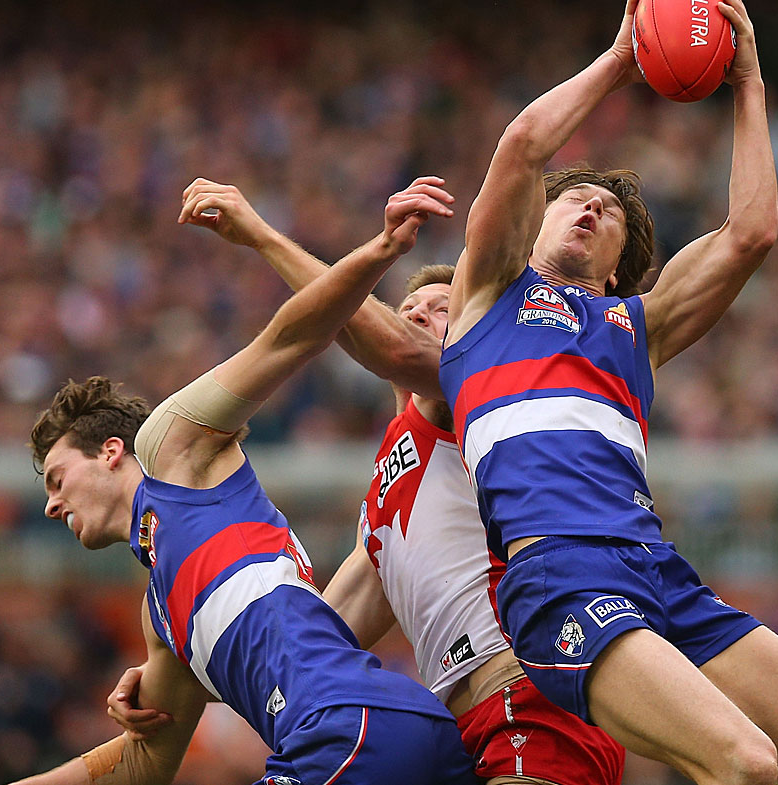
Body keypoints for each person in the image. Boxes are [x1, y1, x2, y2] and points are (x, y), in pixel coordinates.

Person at [438, 2, 778, 785]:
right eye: (573, 198)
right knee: (745, 761)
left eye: (609, 211)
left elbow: (750, 235)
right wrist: (620, 60)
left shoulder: (634, 328)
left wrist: (749, 82)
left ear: (618, 268)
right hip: (558, 573)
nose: (589, 205)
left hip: (655, 567)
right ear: (532, 225)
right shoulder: (485, 297)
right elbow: (521, 146)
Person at [108, 179, 625, 785]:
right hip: (470, 725)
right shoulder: (384, 495)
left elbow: (361, 328)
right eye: (414, 310)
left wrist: (262, 236)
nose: (421, 316)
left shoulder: (485, 389)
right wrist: (173, 669)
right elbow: (309, 639)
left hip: (535, 691)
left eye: (443, 308)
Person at [14, 178, 476, 785]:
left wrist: (379, 252)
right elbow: (138, 769)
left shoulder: (172, 450)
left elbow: (290, 336)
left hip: (342, 729)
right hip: (394, 730)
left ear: (110, 452)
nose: (50, 505)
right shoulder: (163, 620)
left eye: (56, 478)